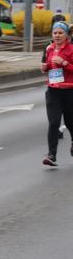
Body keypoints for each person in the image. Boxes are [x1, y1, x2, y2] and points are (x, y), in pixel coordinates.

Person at [40, 21, 73, 166]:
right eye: (55, 33)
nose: (57, 35)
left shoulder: (71, 49)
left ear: (66, 35)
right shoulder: (49, 49)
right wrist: (45, 67)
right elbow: (49, 67)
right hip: (53, 91)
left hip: (69, 91)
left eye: (60, 33)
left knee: (71, 123)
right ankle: (51, 155)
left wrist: (65, 63)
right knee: (54, 123)